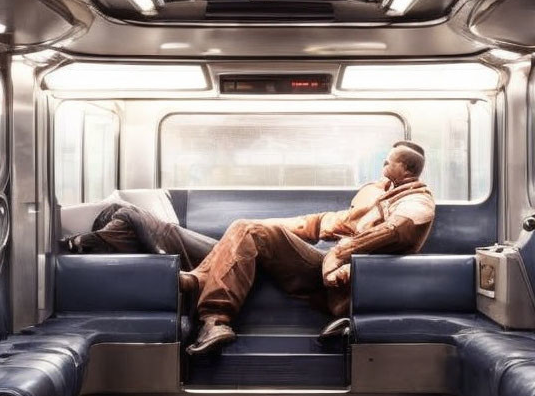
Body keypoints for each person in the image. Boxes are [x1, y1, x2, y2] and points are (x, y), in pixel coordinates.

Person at [65, 141, 435, 356]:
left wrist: (340, 254)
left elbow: (398, 231)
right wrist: (272, 227)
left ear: (404, 168)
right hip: (321, 259)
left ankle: (213, 320)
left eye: (388, 160)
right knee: (134, 218)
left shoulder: (417, 201)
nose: (382, 163)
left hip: (335, 276)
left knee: (244, 229)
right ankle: (184, 274)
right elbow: (326, 222)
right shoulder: (375, 191)